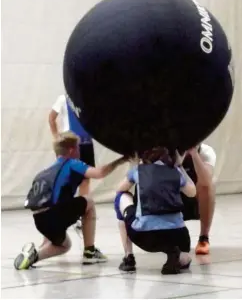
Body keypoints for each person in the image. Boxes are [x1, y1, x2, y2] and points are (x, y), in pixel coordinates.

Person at [14, 131, 130, 270]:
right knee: (89, 202)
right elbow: (99, 173)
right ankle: (89, 252)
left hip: (39, 219)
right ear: (72, 150)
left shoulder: (46, 170)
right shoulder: (71, 163)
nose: (80, 151)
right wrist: (122, 160)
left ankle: (33, 255)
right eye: (78, 147)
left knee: (65, 246)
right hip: (54, 215)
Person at [114, 147, 196, 275]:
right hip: (179, 235)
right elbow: (192, 192)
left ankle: (128, 257)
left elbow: (119, 188)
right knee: (185, 258)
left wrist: (135, 166)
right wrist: (179, 166)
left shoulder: (139, 171)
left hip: (146, 236)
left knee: (121, 196)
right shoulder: (175, 171)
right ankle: (177, 255)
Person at [49, 93, 95, 229]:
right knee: (66, 179)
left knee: (86, 179)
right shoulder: (63, 98)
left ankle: (82, 214)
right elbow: (51, 118)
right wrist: (58, 139)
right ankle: (61, 212)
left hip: (86, 143)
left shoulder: (87, 98)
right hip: (70, 145)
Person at [180, 144, 216, 255]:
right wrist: (179, 158)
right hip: (172, 198)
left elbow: (206, 182)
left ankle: (203, 238)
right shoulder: (168, 150)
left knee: (210, 184)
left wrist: (194, 154)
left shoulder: (206, 151)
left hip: (194, 199)